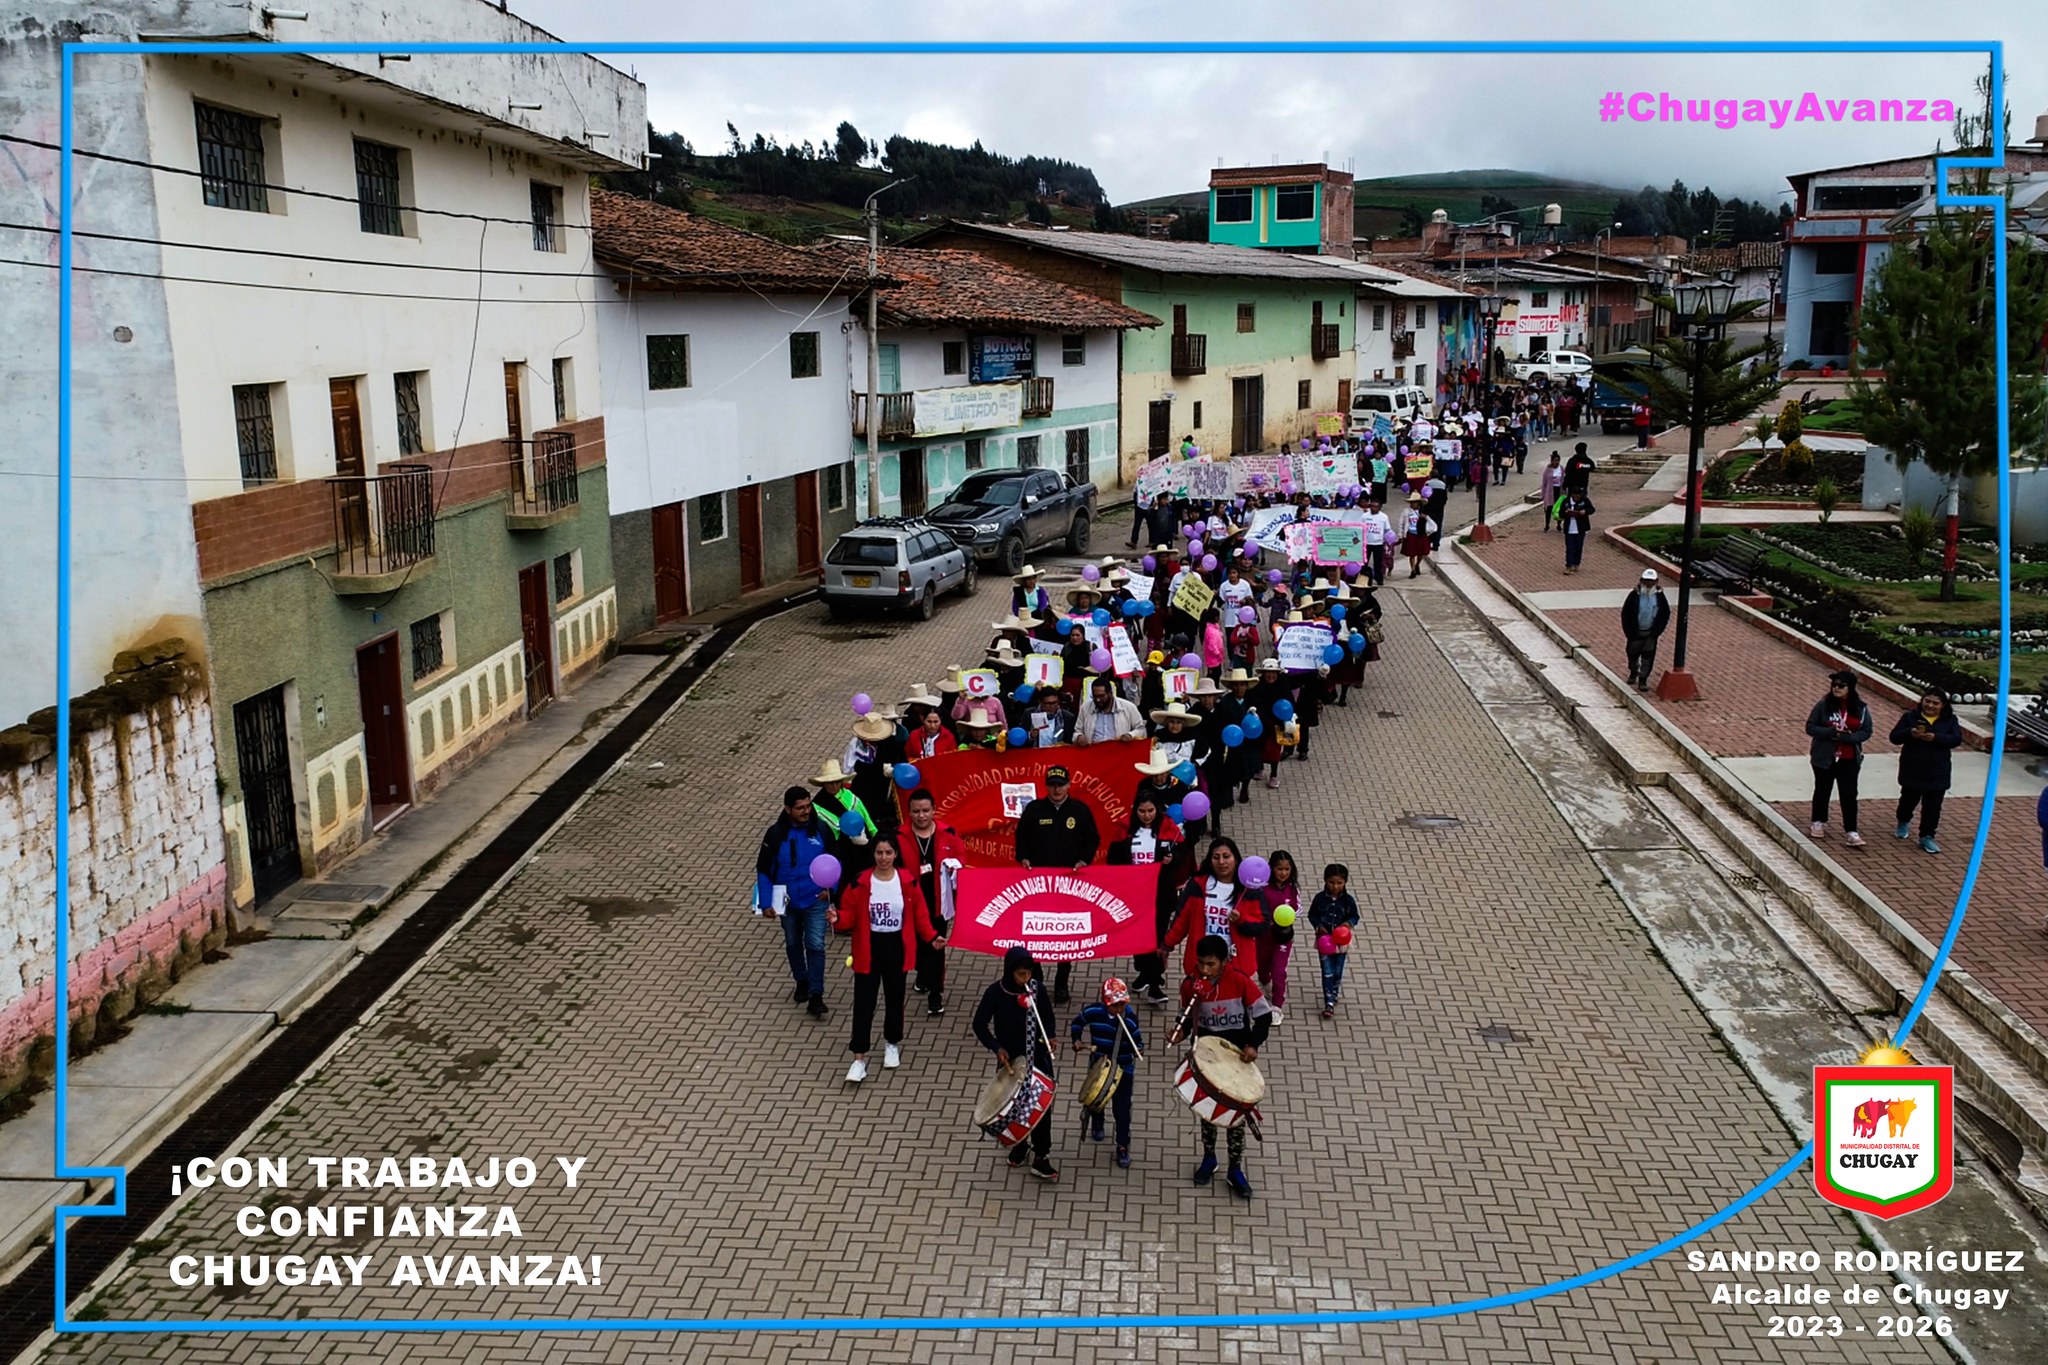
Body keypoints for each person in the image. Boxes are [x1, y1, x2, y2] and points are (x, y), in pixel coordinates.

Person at [1169, 934, 1271, 1198]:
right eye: (1201, 963)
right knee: (1207, 1113)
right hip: (1207, 1060)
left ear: (1224, 962)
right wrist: (1178, 1034)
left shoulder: (1240, 982)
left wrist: (1253, 1044)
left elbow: (1263, 1015)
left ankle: (1235, 1169)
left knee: (1236, 1118)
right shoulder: (1190, 985)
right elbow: (1185, 1014)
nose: (1205, 969)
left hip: (1236, 1059)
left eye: (1211, 964)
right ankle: (1209, 1158)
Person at [834, 837, 940, 1082]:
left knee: (895, 998)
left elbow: (920, 915)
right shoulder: (860, 882)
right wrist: (837, 918)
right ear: (873, 854)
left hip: (896, 947)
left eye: (888, 852)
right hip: (868, 948)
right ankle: (858, 1059)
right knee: (864, 1003)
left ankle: (892, 1043)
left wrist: (932, 937)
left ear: (895, 854)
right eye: (879, 852)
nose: (883, 857)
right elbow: (849, 915)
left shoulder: (907, 881)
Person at [1014, 764, 1101, 1005]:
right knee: (1039, 929)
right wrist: (1023, 857)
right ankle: (1038, 976)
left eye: (1060, 785)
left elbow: (1093, 838)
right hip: (1039, 883)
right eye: (1052, 784)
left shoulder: (1080, 810)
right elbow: (1021, 836)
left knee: (1066, 932)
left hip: (1069, 883)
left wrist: (1084, 860)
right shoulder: (1034, 809)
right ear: (1046, 786)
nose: (1056, 789)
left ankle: (1062, 981)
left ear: (1069, 786)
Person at [971, 945, 1059, 1181]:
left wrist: (1050, 1037)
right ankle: (1019, 1144)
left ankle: (1042, 1155)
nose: (1025, 978)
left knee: (1041, 1109)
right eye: (1021, 974)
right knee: (1013, 1106)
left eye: (1028, 974)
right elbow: (979, 1024)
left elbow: (1048, 1018)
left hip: (1037, 1060)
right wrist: (996, 1047)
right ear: (1010, 971)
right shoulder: (995, 993)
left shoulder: (1036, 990)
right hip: (1010, 1061)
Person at [755, 786, 838, 1018]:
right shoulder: (775, 834)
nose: (806, 811)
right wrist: (765, 902)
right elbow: (764, 869)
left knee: (815, 945)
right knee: (793, 943)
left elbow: (835, 861)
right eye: (800, 808)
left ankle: (816, 995)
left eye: (808, 806)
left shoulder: (821, 829)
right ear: (787, 809)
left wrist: (830, 889)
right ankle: (801, 979)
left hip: (815, 900)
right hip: (788, 902)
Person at [1111, 792, 1188, 1007]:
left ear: (1158, 810)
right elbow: (1114, 859)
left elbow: (1182, 855)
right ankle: (1143, 973)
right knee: (1138, 936)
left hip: (1161, 895)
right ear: (1135, 811)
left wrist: (1173, 859)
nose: (1146, 816)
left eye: (1151, 811)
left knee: (1156, 938)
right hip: (1134, 895)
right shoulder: (1124, 829)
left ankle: (1155, 984)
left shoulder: (1169, 828)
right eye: (1142, 811)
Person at [899, 787, 967, 1015]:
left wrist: (954, 866)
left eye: (925, 811)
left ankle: (936, 994)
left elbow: (961, 859)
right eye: (916, 811)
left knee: (936, 948)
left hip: (939, 902)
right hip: (910, 904)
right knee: (916, 945)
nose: (921, 816)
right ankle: (922, 973)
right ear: (909, 812)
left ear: (934, 810)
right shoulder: (899, 837)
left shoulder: (948, 833)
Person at [1070, 978, 1145, 1167]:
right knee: (1097, 1098)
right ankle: (1097, 1121)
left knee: (1122, 1109)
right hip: (1100, 1064)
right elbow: (1077, 1023)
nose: (1119, 1009)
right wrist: (1076, 1039)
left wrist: (1138, 1050)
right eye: (1114, 1005)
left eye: (1122, 1005)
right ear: (1105, 1002)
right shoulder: (1093, 1012)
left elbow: (1139, 1045)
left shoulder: (1130, 1020)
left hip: (1123, 1069)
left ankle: (1122, 1145)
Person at [1163, 837, 1250, 979]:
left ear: (1236, 858)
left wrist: (1241, 920)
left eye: (1226, 856)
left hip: (1235, 964)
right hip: (1202, 964)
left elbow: (1261, 925)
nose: (1221, 862)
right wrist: (1167, 945)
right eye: (1216, 857)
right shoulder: (1197, 885)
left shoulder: (1248, 889)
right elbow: (1181, 920)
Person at [1890, 690, 1963, 854]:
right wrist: (1911, 733)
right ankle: (1903, 821)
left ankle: (1927, 837)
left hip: (1938, 772)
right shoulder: (1910, 717)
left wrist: (1936, 738)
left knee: (1933, 807)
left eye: (1935, 703)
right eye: (1927, 701)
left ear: (1943, 705)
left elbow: (1956, 739)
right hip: (1913, 768)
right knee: (1908, 800)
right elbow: (1894, 737)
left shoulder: (1950, 720)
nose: (1930, 706)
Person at [1806, 670, 1873, 845]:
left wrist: (1849, 738)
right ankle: (1818, 821)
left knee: (1849, 794)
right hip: (1825, 756)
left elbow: (1866, 731)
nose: (1836, 688)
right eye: (1834, 685)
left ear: (1850, 688)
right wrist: (1830, 732)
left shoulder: (1861, 709)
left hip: (1849, 758)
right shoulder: (1823, 705)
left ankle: (1851, 831)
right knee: (1822, 790)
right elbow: (1810, 727)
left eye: (1841, 685)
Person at [1307, 862, 1359, 1019]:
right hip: (1325, 941)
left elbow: (1355, 916)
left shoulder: (1348, 901)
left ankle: (1334, 993)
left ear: (1345, 882)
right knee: (1327, 971)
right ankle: (1328, 1002)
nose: (1335, 886)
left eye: (1339, 883)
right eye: (1331, 882)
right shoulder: (1319, 899)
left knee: (1338, 970)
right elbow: (1312, 915)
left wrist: (1347, 924)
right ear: (1324, 880)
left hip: (1342, 942)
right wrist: (1318, 926)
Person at [1257, 850, 1300, 1021]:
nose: (1283, 873)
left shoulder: (1292, 888)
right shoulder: (1262, 887)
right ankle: (1266, 985)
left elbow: (1298, 908)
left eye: (1287, 869)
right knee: (1262, 968)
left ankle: (1277, 1005)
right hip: (1262, 936)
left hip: (1283, 937)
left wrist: (1289, 917)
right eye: (1279, 869)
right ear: (1271, 869)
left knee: (1278, 970)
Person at [1620, 570, 1672, 691]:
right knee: (1632, 654)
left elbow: (1665, 614)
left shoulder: (1659, 596)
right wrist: (1629, 632)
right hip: (1635, 633)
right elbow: (1626, 614)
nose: (1649, 584)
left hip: (1650, 633)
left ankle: (1643, 679)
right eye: (1646, 581)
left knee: (1648, 657)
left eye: (1651, 582)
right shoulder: (1634, 595)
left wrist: (1657, 631)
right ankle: (1633, 671)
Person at [1074, 675, 1145, 744]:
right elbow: (1077, 732)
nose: (1098, 700)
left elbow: (1142, 730)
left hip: (1120, 752)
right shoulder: (1085, 708)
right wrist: (1079, 737)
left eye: (1101, 696)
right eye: (1095, 696)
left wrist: (1130, 735)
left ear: (1110, 693)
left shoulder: (1128, 707)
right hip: (1093, 752)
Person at [1399, 494, 1437, 579]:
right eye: (1412, 502)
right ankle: (1412, 570)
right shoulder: (1406, 511)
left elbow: (1432, 523)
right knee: (1412, 554)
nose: (1413, 504)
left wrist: (1426, 517)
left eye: (1415, 502)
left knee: (1421, 553)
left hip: (1421, 534)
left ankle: (1417, 565)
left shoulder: (1423, 512)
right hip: (1411, 534)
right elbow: (1401, 523)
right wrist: (1401, 535)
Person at [1558, 488, 1595, 573]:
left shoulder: (1584, 501)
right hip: (1569, 528)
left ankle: (1576, 563)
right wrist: (1566, 512)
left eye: (1578, 496)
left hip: (1581, 528)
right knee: (1570, 548)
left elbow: (1592, 509)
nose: (1576, 498)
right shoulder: (1566, 501)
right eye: (1574, 496)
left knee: (1578, 547)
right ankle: (1568, 565)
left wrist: (1584, 512)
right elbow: (1561, 513)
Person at [1539, 453, 1564, 532]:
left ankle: (1559, 524)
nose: (1556, 462)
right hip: (1550, 491)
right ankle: (1547, 525)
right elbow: (1544, 483)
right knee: (1549, 508)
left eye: (1558, 460)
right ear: (1552, 461)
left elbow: (1564, 479)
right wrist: (1543, 494)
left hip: (1559, 490)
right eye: (1555, 460)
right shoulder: (1548, 470)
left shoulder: (1562, 469)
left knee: (1559, 507)